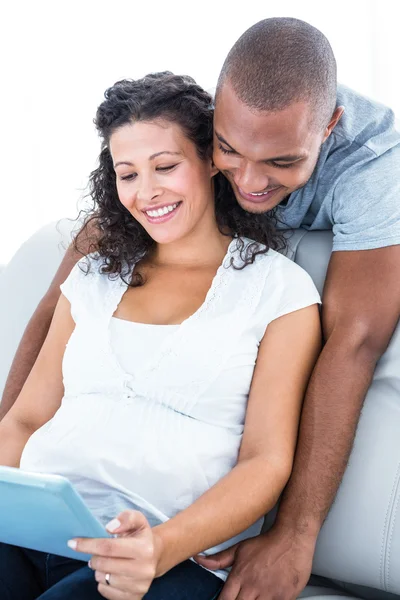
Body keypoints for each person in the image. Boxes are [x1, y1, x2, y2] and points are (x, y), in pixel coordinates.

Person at [2, 16, 400, 600]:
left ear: (329, 128)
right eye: (231, 151)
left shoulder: (366, 178)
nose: (251, 181)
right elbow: (60, 315)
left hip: (162, 546)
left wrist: (294, 533)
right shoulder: (130, 222)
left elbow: (354, 342)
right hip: (50, 525)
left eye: (282, 163)